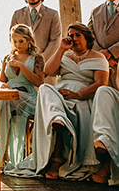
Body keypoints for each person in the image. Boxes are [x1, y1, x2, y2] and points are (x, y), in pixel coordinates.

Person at [6, 24, 109, 181]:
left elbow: (101, 84)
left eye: (77, 35)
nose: (73, 39)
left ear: (87, 37)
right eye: (70, 35)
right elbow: (48, 71)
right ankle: (58, 118)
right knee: (46, 88)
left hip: (83, 97)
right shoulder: (66, 56)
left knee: (63, 101)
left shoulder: (98, 57)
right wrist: (61, 49)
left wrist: (78, 94)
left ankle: (58, 156)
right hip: (60, 97)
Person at [0, 24, 44, 169]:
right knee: (4, 100)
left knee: (5, 101)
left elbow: (39, 81)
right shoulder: (8, 57)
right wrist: (2, 86)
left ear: (29, 40)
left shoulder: (37, 58)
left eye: (21, 41)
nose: (17, 45)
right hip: (9, 96)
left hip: (29, 97)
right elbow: (1, 81)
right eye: (14, 41)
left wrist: (22, 65)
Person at [10, 0, 62, 66]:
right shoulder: (17, 15)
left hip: (46, 64)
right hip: (22, 64)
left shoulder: (53, 14)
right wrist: (23, 58)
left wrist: (40, 60)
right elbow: (12, 38)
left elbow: (56, 40)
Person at [88, 0, 119, 85]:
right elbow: (88, 36)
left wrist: (111, 53)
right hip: (100, 65)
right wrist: (101, 55)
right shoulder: (95, 12)